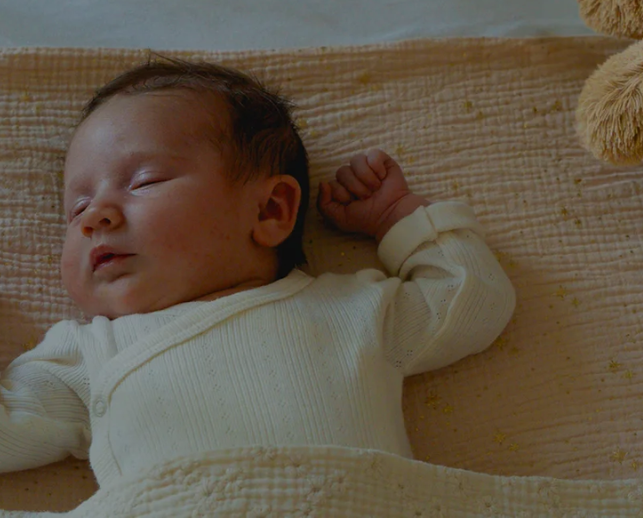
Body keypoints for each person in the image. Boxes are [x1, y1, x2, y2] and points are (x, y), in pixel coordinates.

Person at [0, 57, 516, 489]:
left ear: (269, 211)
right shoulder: (87, 354)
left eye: (144, 181)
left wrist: (397, 217)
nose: (96, 216)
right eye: (77, 208)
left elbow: (470, 302)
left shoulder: (351, 311)